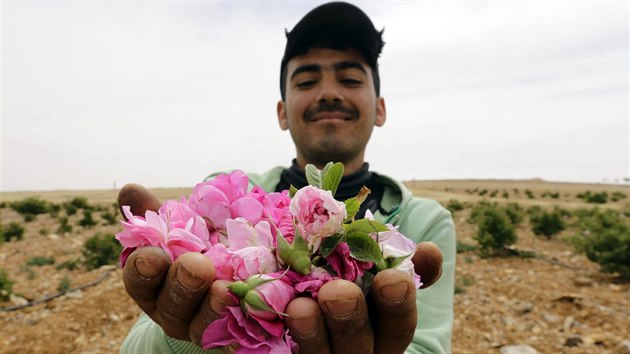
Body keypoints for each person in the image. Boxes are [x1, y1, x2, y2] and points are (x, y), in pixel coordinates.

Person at [118, 2, 456, 353]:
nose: (328, 93)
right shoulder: (223, 195)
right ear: (282, 113)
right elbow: (135, 348)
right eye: (307, 81)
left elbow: (428, 347)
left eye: (351, 79)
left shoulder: (425, 221)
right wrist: (191, 336)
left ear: (381, 109)